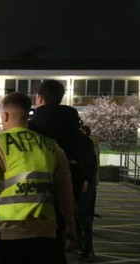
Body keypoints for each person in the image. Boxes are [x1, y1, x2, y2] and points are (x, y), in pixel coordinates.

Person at [0, 92, 77, 264]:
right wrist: (71, 225)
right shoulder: (51, 146)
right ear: (27, 116)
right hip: (47, 234)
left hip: (10, 234)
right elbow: (65, 190)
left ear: (4, 115)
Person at [29, 80, 96, 262]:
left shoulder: (31, 129)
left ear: (40, 98)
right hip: (68, 196)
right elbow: (87, 162)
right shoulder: (76, 132)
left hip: (32, 201)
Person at [80, 125, 100, 222]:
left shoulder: (86, 143)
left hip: (86, 179)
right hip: (91, 178)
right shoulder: (93, 144)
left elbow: (89, 163)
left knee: (84, 206)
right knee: (88, 205)